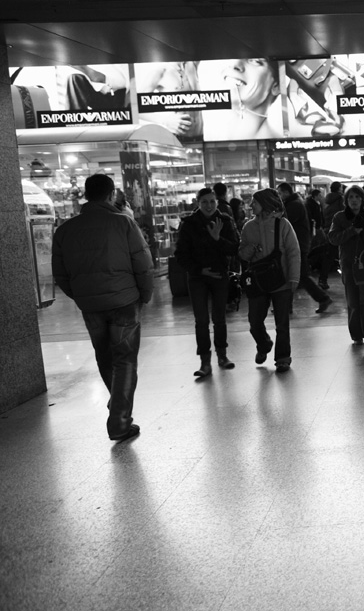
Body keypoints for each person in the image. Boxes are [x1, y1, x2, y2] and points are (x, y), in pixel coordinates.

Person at [51, 173, 153, 441]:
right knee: (125, 360)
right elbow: (142, 263)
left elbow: (60, 274)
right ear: (111, 195)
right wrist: (145, 294)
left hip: (91, 305)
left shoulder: (65, 230)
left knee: (105, 356)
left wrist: (82, 295)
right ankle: (119, 420)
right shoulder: (124, 224)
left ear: (86, 194)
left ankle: (117, 402)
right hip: (124, 302)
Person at [174, 187, 240, 377]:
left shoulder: (225, 221)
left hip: (219, 275)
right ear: (198, 203)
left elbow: (235, 248)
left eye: (212, 201)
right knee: (201, 320)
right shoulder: (189, 224)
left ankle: (222, 355)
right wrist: (198, 269)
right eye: (204, 202)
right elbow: (181, 254)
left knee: (219, 318)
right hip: (198, 278)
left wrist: (218, 239)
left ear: (217, 202)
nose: (209, 205)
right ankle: (205, 361)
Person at [239, 188, 301, 372]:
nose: (251, 205)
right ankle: (264, 344)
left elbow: (293, 253)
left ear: (264, 203)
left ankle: (283, 357)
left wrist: (294, 278)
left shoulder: (282, 225)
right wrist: (250, 250)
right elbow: (242, 252)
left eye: (254, 202)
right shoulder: (248, 227)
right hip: (258, 281)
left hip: (280, 280)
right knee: (254, 321)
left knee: (282, 322)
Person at [328, 186, 364, 348]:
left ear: (363, 200)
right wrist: (352, 231)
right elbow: (333, 238)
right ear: (346, 200)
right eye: (351, 197)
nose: (354, 200)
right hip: (348, 265)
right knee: (353, 302)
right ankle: (357, 335)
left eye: (357, 197)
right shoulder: (339, 218)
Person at [277, 182, 332, 313]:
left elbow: (285, 222)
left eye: (279, 193)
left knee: (301, 275)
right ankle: (287, 305)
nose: (278, 196)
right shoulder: (295, 202)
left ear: (286, 192)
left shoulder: (293, 205)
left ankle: (323, 298)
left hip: (297, 245)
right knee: (291, 274)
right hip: (297, 243)